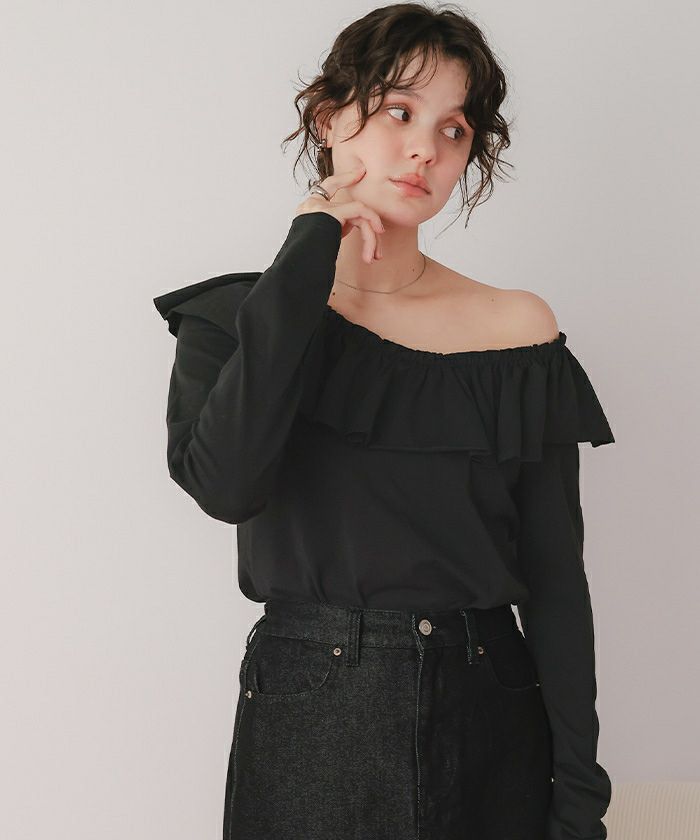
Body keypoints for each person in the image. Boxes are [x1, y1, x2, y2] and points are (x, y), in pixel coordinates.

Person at [152, 4, 615, 839]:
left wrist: (580, 801)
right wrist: (309, 245)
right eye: (399, 111)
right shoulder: (233, 321)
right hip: (311, 714)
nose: (425, 150)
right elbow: (227, 485)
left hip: (492, 713)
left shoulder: (517, 330)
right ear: (329, 120)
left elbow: (555, 580)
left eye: (454, 130)